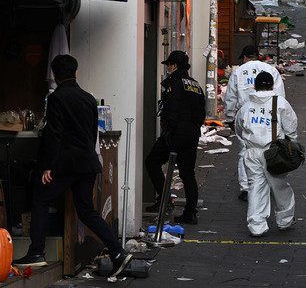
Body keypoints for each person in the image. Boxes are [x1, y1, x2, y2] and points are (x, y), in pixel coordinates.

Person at [14, 55, 132, 276]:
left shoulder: (57, 98)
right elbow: (91, 132)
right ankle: (118, 252)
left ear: (55, 76)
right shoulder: (89, 98)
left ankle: (36, 252)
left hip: (67, 164)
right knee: (86, 210)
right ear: (75, 73)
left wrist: (48, 166)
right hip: (88, 163)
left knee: (40, 198)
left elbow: (54, 134)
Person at [144, 51, 205, 225]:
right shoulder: (195, 84)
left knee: (152, 162)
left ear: (174, 65)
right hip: (192, 133)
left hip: (176, 133)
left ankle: (164, 201)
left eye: (169, 65)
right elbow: (201, 111)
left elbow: (171, 109)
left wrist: (169, 131)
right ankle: (190, 212)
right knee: (188, 174)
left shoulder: (173, 83)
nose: (168, 69)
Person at [235, 72, 297, 237]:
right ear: (272, 86)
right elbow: (291, 127)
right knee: (279, 185)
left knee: (256, 187)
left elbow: (239, 129)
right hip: (274, 152)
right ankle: (285, 219)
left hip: (252, 152)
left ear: (254, 86)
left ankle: (257, 226)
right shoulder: (280, 103)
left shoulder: (245, 107)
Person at [225, 45, 285, 202]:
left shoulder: (238, 72)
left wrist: (230, 117)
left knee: (245, 152)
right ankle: (270, 182)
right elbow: (280, 95)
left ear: (245, 58)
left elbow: (230, 97)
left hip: (247, 115)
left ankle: (246, 188)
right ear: (258, 56)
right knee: (270, 149)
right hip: (269, 117)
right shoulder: (271, 70)